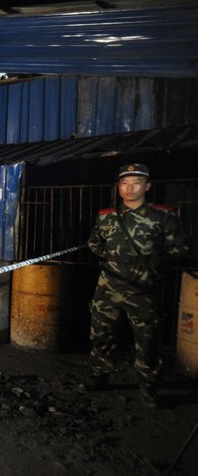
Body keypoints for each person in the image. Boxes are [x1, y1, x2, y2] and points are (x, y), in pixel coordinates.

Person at [84, 163, 191, 408]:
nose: (129, 188)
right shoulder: (106, 216)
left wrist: (154, 263)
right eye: (124, 183)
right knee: (101, 333)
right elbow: (94, 244)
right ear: (119, 187)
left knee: (148, 339)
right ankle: (100, 375)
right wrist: (116, 258)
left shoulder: (162, 216)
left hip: (144, 288)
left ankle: (148, 386)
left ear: (147, 186)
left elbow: (180, 249)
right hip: (109, 284)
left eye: (136, 183)